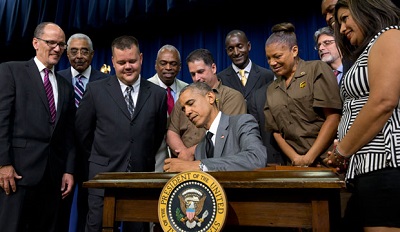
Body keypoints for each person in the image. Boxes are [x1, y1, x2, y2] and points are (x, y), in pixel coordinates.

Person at [75, 35, 167, 232]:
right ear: (112, 62)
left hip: (141, 178)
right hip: (102, 177)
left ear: (141, 58)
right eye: (121, 62)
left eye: (132, 61)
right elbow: (83, 134)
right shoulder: (94, 91)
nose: (128, 66)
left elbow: (157, 134)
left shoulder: (158, 95)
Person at [323, 0, 400, 230]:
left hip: (386, 164)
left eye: (345, 18)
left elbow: (383, 102)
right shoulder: (370, 47)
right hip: (368, 168)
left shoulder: (389, 36)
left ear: (366, 9)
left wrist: (341, 151)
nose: (342, 28)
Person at [0, 22, 76, 232]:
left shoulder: (65, 86)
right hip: (17, 176)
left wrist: (69, 170)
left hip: (53, 179)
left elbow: (68, 134)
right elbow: (2, 121)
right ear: (35, 43)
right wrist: (3, 164)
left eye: (61, 44)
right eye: (51, 42)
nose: (58, 48)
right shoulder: (11, 71)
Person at [264, 22, 342, 167]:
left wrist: (309, 157)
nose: (272, 63)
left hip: (326, 162)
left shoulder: (316, 69)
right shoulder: (271, 89)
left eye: (277, 56)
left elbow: (333, 117)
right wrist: (296, 159)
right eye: (268, 58)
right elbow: (276, 132)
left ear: (294, 51)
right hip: (294, 166)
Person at [57, 33, 109, 232]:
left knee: (91, 213)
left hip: (94, 157)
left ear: (93, 54)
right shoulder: (55, 78)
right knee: (59, 210)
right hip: (61, 159)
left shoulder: (106, 82)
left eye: (84, 51)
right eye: (74, 51)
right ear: (66, 53)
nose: (79, 55)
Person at [164, 82, 267, 172]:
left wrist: (200, 165)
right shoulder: (201, 146)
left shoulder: (241, 123)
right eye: (183, 109)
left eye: (190, 103)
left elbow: (256, 158)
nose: (187, 112)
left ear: (210, 98)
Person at [166, 48, 247, 161]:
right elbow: (172, 132)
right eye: (193, 74)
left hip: (217, 164)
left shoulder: (231, 97)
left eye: (200, 72)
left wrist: (192, 153)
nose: (197, 78)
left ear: (213, 68)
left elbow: (227, 136)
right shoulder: (185, 97)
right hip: (184, 164)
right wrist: (184, 153)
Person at [147, 44, 188, 172]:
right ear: (156, 65)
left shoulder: (188, 89)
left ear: (180, 67)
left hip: (184, 158)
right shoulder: (144, 89)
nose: (168, 68)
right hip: (154, 159)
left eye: (173, 64)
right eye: (163, 63)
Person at [217, 29, 275, 103]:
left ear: (248, 46)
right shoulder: (220, 79)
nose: (236, 52)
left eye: (240, 46)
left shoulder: (267, 76)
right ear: (226, 52)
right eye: (231, 49)